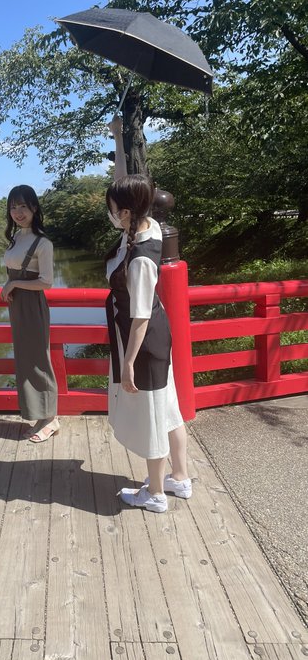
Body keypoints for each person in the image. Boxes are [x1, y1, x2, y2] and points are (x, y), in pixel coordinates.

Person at [105, 117, 192, 513]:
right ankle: (180, 478)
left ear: (126, 212)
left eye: (113, 209)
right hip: (156, 335)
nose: (109, 213)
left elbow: (139, 316)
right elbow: (125, 183)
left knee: (154, 416)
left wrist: (127, 364)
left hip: (142, 338)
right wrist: (118, 139)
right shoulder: (148, 225)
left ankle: (155, 493)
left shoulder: (140, 258)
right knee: (168, 408)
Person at [1, 185, 59, 442]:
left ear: (34, 207)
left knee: (38, 360)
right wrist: (10, 285)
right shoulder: (16, 238)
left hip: (32, 304)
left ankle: (52, 418)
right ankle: (40, 415)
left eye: (23, 206)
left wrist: (13, 283)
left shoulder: (42, 243)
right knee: (25, 360)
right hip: (17, 305)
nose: (18, 212)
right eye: (13, 207)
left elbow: (46, 282)